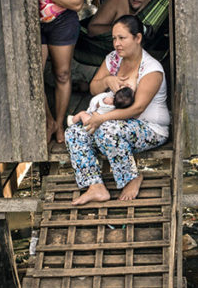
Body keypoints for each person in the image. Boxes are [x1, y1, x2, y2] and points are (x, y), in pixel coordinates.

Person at [65, 14, 169, 205]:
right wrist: (107, 80)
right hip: (118, 124)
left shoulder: (151, 68)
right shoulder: (113, 59)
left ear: (137, 38)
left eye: (122, 38)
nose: (116, 43)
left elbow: (137, 108)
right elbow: (93, 87)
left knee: (106, 129)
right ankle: (95, 186)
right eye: (114, 38)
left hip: (150, 128)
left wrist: (101, 119)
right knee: (74, 133)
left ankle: (132, 177)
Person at [34, 0, 85, 144]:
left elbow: (76, 2)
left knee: (62, 75)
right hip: (33, 22)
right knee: (33, 74)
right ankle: (47, 121)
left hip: (62, 20)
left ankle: (60, 123)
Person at [68, 87, 134, 127]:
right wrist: (94, 109)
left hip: (94, 123)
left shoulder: (109, 100)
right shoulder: (108, 98)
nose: (120, 100)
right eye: (120, 97)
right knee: (84, 114)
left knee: (82, 114)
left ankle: (73, 121)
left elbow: (94, 102)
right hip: (94, 118)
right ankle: (73, 122)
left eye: (124, 100)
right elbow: (94, 102)